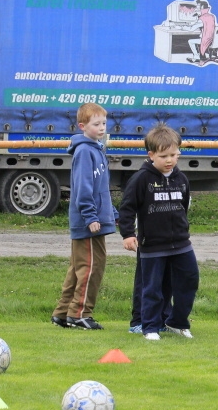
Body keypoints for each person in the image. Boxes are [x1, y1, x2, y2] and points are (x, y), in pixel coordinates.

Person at [118, 125, 199, 341]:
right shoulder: (141, 179)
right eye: (164, 156)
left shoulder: (182, 179)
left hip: (181, 244)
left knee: (189, 280)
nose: (169, 160)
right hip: (152, 245)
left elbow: (183, 205)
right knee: (152, 289)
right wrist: (128, 234)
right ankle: (150, 327)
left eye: (173, 155)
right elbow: (127, 208)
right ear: (151, 155)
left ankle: (177, 322)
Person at [52, 103, 117, 330]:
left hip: (98, 219)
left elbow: (101, 189)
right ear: (82, 126)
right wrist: (91, 217)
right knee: (91, 267)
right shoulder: (84, 151)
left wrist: (111, 213)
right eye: (96, 124)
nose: (101, 128)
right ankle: (80, 314)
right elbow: (82, 189)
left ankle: (62, 312)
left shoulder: (97, 149)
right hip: (89, 223)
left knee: (78, 267)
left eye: (103, 123)